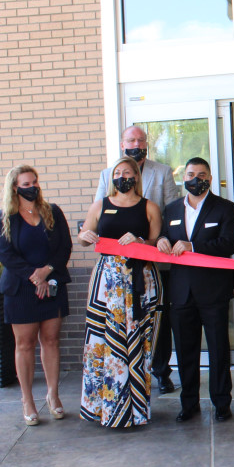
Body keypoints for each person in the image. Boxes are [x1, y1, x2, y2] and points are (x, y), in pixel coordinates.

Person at [94, 125, 181, 395]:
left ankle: (161, 371)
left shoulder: (162, 171)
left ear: (146, 145)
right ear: (122, 144)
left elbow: (172, 212)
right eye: (131, 139)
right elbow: (99, 214)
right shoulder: (108, 174)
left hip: (152, 259)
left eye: (141, 140)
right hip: (115, 267)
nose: (136, 143)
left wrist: (161, 240)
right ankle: (122, 377)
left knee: (157, 320)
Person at [78, 156, 163, 428]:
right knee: (102, 341)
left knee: (137, 341)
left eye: (127, 172)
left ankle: (135, 409)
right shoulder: (100, 205)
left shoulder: (149, 207)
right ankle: (102, 408)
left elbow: (156, 242)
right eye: (117, 172)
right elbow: (83, 236)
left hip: (139, 280)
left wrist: (140, 241)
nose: (121, 176)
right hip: (106, 283)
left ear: (136, 176)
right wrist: (85, 237)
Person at [156, 157, 234, 423]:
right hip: (180, 292)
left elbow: (229, 244)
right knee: (185, 352)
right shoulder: (170, 210)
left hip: (213, 291)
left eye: (201, 174)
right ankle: (189, 403)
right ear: (184, 178)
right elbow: (162, 237)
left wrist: (194, 247)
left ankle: (221, 403)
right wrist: (160, 241)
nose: (195, 179)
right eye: (190, 174)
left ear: (210, 179)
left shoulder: (225, 208)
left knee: (218, 351)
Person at [0, 165, 73, 426]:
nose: (33, 187)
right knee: (24, 344)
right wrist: (34, 276)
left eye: (35, 182)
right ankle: (27, 400)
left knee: (51, 340)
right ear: (15, 187)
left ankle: (53, 395)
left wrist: (47, 272)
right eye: (26, 183)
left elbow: (65, 246)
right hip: (21, 288)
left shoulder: (53, 211)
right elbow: (5, 254)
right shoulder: (4, 217)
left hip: (52, 284)